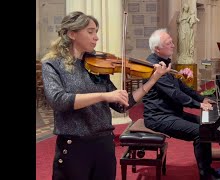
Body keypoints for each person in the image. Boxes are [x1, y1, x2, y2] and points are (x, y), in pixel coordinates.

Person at [40, 11, 171, 180]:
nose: (96, 37)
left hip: (104, 145)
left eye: (96, 32)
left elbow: (122, 104)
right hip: (74, 148)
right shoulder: (52, 64)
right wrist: (103, 95)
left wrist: (153, 80)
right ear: (72, 33)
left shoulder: (96, 65)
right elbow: (59, 101)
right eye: (90, 31)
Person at [142, 28, 220, 180]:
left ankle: (208, 170)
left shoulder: (164, 63)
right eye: (168, 43)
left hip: (171, 113)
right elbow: (175, 94)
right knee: (199, 132)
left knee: (206, 127)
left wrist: (201, 99)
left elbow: (181, 87)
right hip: (158, 117)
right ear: (157, 49)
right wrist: (198, 105)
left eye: (172, 42)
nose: (173, 45)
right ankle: (206, 175)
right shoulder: (154, 67)